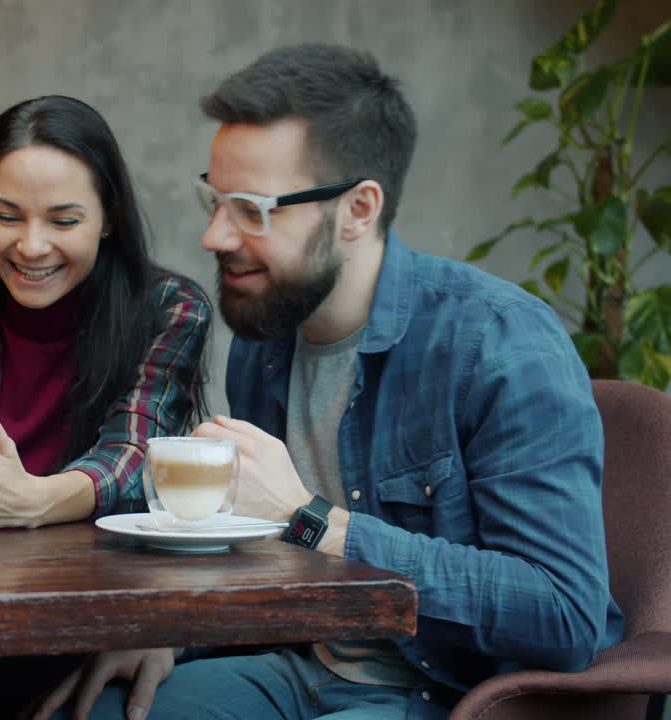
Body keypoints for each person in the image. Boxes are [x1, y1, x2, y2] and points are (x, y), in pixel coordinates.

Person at [34, 43, 622, 720]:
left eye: (252, 210)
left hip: (449, 694)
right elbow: (269, 566)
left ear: (359, 210)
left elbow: (564, 613)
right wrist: (176, 635)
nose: (215, 236)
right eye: (215, 201)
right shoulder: (267, 339)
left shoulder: (499, 343)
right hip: (303, 669)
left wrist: (310, 519)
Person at [0, 94, 211, 530]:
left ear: (108, 219)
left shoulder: (171, 309)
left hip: (109, 576)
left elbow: (136, 452)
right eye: (7, 216)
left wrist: (29, 502)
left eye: (63, 221)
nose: (32, 247)